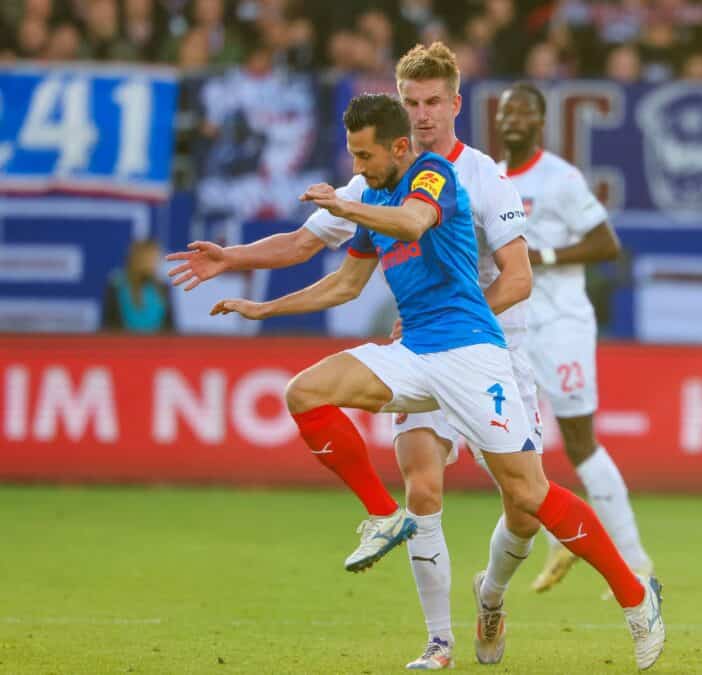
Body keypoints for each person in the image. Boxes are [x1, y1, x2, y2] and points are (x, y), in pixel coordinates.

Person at [189, 92, 665, 671]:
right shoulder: (370, 193)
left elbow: (413, 221)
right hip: (413, 350)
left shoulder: (432, 174)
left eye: (365, 158)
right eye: (351, 159)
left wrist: (345, 206)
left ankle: (637, 600)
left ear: (397, 147)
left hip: (472, 354)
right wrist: (265, 309)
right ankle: (402, 558)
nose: (357, 170)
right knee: (305, 393)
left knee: (530, 495)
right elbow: (343, 285)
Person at [495, 82, 654, 594]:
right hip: (509, 329)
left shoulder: (559, 178)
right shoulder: (490, 179)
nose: (513, 118)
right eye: (506, 111)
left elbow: (607, 244)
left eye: (524, 111)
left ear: (540, 123)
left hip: (561, 324)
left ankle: (635, 562)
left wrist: (544, 258)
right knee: (517, 446)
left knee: (581, 442)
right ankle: (561, 537)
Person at [102, 239, 174, 333]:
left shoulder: (163, 288)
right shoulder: (116, 286)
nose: (153, 262)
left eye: (155, 258)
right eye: (148, 258)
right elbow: (108, 325)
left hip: (157, 346)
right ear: (136, 259)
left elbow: (170, 329)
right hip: (123, 345)